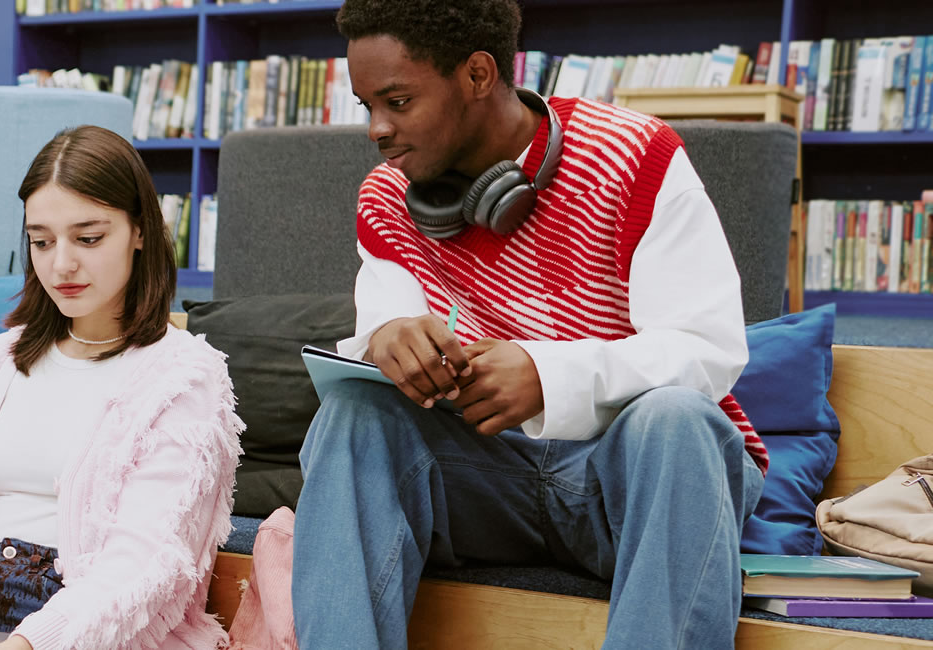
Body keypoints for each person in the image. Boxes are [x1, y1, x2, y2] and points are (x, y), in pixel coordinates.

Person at [293, 1, 767, 647]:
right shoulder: (388, 195)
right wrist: (388, 338)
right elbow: (384, 321)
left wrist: (547, 375)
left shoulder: (634, 156)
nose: (378, 129)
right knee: (354, 412)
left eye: (398, 101)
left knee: (678, 417)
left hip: (632, 484)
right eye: (367, 106)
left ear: (478, 74)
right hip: (487, 481)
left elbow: (708, 351)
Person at [0, 125, 243, 650]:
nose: (61, 264)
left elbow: (143, 568)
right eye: (41, 241)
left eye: (88, 238)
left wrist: (29, 644)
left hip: (89, 635)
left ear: (140, 230)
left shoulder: (183, 376)